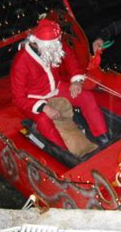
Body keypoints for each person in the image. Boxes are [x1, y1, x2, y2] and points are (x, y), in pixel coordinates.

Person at [11, 18, 110, 149]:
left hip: (55, 88)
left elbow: (71, 60)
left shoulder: (53, 45)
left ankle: (102, 136)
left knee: (86, 97)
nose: (59, 45)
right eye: (55, 44)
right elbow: (18, 98)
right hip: (34, 99)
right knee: (43, 121)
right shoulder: (21, 63)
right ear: (41, 44)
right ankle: (64, 151)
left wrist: (77, 81)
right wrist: (44, 108)